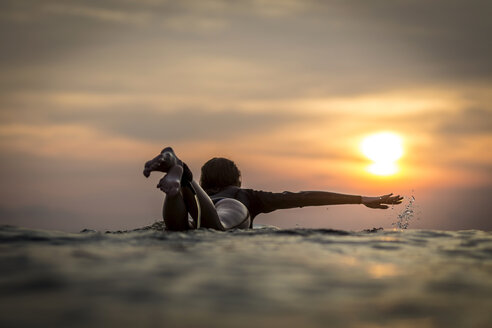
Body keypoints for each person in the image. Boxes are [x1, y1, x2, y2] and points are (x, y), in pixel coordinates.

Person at [143, 147, 403, 231]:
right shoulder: (248, 196)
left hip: (199, 204)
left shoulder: (206, 197)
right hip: (228, 210)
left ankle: (180, 178)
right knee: (218, 228)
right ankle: (180, 171)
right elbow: (305, 198)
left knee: (177, 230)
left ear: (207, 179)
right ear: (237, 180)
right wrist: (361, 199)